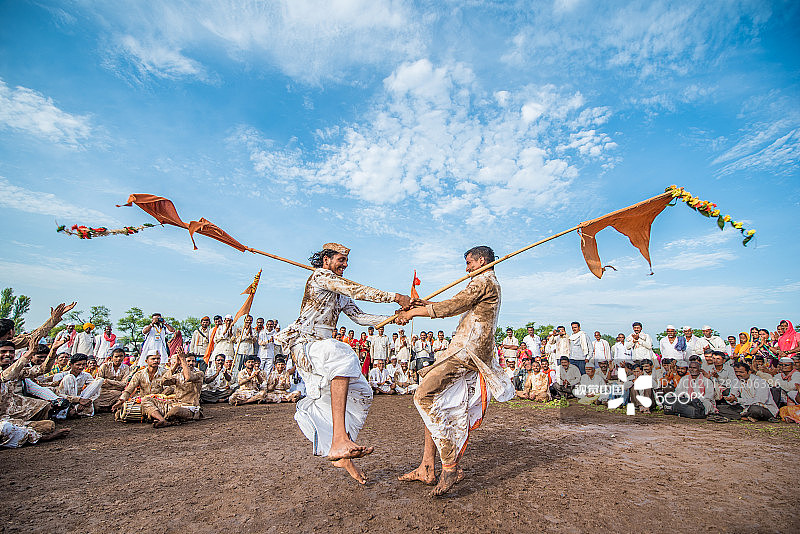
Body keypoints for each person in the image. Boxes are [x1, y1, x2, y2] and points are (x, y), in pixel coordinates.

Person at [274, 243, 412, 485]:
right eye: (340, 260)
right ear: (326, 259)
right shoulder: (320, 276)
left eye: (346, 261)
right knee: (344, 354)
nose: (345, 265)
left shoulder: (338, 289)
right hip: (306, 343)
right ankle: (338, 439)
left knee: (363, 392)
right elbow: (356, 289)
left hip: (323, 345)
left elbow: (359, 317)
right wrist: (396, 297)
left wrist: (393, 318)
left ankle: (341, 450)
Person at [395, 245, 513, 497]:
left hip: (468, 351)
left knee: (423, 396)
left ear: (481, 261)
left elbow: (452, 307)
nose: (466, 268)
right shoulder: (483, 282)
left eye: (469, 262)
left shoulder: (484, 281)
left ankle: (450, 466)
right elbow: (455, 304)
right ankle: (427, 466)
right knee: (432, 394)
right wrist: (423, 304)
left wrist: (414, 312)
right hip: (465, 348)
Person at [112, 350, 168, 418]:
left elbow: (169, 388)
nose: (156, 361)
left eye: (158, 359)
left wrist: (158, 396)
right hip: (143, 401)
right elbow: (129, 390)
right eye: (153, 359)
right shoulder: (139, 374)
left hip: (159, 401)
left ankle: (159, 418)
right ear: (146, 361)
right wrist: (121, 400)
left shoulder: (165, 373)